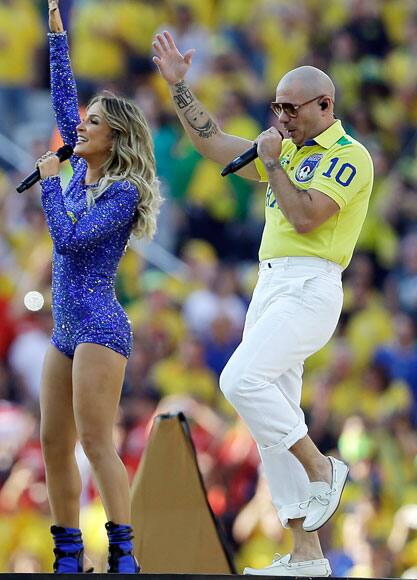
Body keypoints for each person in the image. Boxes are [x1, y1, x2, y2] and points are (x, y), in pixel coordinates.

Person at [153, 31, 374, 576]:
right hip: (270, 285)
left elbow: (306, 217)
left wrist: (273, 164)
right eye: (276, 107)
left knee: (239, 380)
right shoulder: (287, 147)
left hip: (311, 285)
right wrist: (179, 88)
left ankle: (322, 467)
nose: (281, 118)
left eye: (291, 109)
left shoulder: (349, 155)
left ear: (325, 106)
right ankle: (306, 555)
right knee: (273, 419)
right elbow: (212, 143)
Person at [35, 1, 162, 573]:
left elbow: (69, 242)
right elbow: (65, 102)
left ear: (115, 138)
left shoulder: (122, 192)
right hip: (64, 328)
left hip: (99, 326)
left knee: (95, 441)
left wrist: (48, 184)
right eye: (82, 122)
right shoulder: (82, 171)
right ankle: (68, 556)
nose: (79, 128)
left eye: (92, 124)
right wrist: (57, 37)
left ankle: (124, 555)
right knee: (52, 442)